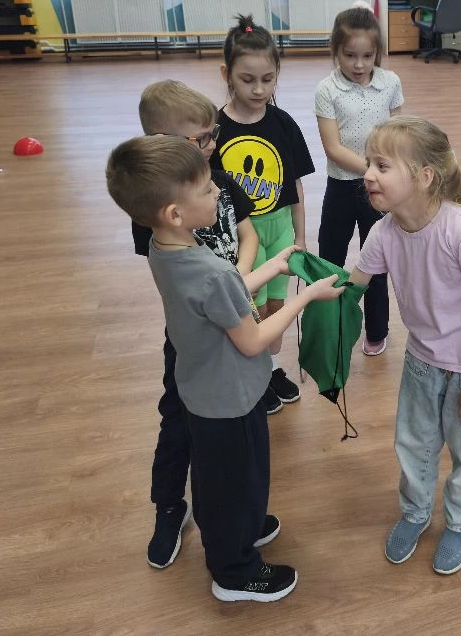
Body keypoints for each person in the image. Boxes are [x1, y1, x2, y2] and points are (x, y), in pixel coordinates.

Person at [107, 136, 343, 602]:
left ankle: (243, 525)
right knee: (234, 484)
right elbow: (252, 338)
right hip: (229, 401)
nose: (219, 190)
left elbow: (225, 295)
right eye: (206, 188)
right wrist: (306, 297)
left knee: (229, 475)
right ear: (175, 212)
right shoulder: (210, 272)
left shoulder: (166, 247)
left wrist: (273, 267)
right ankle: (234, 572)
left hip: (207, 391)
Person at [348, 117, 461, 575]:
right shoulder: (385, 231)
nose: (368, 174)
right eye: (369, 163)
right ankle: (416, 512)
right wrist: (302, 281)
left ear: (424, 176)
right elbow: (351, 286)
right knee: (414, 445)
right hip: (422, 360)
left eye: (382, 165)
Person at [133, 80, 259, 569]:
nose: (211, 145)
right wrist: (230, 287)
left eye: (213, 134)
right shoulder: (154, 204)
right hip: (193, 336)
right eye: (200, 138)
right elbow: (178, 277)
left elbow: (246, 235)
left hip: (235, 314)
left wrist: (238, 280)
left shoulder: (219, 180)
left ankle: (235, 516)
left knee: (232, 426)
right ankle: (169, 506)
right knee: (179, 420)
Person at [210, 16, 315, 411]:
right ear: (227, 74)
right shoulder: (214, 129)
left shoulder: (284, 124)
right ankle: (252, 374)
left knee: (275, 307)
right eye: (247, 79)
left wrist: (300, 236)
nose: (258, 89)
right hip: (243, 237)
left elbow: (296, 187)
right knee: (248, 309)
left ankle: (269, 369)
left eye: (268, 79)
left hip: (281, 230)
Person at [315, 6, 404, 356]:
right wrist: (374, 168)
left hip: (378, 192)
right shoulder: (327, 89)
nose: (358, 64)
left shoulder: (390, 82)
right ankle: (330, 326)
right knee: (330, 259)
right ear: (335, 51)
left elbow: (398, 134)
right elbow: (333, 148)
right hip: (340, 187)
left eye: (367, 56)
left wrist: (386, 173)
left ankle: (377, 330)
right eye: (350, 55)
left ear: (377, 52)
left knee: (376, 261)